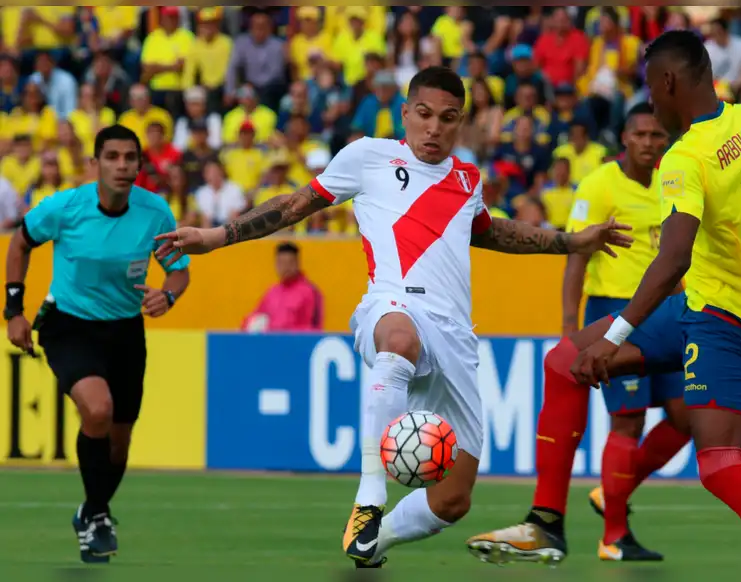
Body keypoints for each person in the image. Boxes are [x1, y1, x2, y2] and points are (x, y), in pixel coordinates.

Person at [151, 66, 632, 569]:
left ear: (461, 122)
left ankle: (372, 543)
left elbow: (493, 233)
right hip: (392, 302)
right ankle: (369, 500)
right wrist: (217, 235)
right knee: (397, 340)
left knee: (454, 499)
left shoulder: (468, 179)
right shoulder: (369, 157)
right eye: (423, 115)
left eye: (448, 119)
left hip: (456, 339)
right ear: (405, 113)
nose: (434, 128)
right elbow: (295, 205)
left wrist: (571, 242)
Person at [480, 29, 741, 572]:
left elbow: (674, 256)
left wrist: (614, 339)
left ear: (669, 80)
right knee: (563, 361)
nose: (651, 102)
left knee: (721, 466)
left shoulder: (685, 158)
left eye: (650, 89)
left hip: (726, 325)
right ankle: (546, 525)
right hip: (695, 308)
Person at [467, 103, 689, 563]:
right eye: (641, 135)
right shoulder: (598, 185)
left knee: (688, 416)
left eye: (657, 136)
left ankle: (614, 491)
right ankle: (615, 537)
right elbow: (577, 255)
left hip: (665, 310)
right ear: (624, 139)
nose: (649, 143)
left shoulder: (674, 184)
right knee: (627, 420)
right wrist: (571, 328)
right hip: (613, 309)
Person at [4, 125, 191, 563]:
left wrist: (169, 295)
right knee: (99, 409)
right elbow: (20, 243)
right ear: (95, 164)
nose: (122, 166)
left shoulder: (154, 212)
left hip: (125, 330)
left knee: (120, 442)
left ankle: (93, 510)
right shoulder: (66, 207)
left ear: (141, 166)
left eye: (130, 158)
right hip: (68, 324)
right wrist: (14, 310)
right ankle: (97, 517)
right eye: (112, 157)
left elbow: (178, 269)